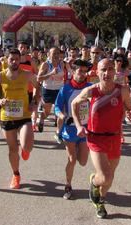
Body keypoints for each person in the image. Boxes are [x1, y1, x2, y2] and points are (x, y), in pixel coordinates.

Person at [71, 58, 131, 218]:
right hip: (95, 138)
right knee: (105, 176)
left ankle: (101, 197)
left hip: (115, 138)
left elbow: (129, 109)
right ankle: (95, 187)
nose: (107, 73)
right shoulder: (91, 91)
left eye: (110, 69)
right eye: (103, 70)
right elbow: (74, 104)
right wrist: (79, 126)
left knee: (110, 177)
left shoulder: (123, 91)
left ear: (115, 71)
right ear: (97, 72)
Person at [0, 48, 40, 189]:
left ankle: (25, 149)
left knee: (27, 146)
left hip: (24, 115)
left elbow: (38, 87)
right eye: (11, 59)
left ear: (20, 60)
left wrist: (34, 102)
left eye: (17, 59)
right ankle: (16, 175)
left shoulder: (27, 74)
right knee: (12, 150)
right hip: (7, 116)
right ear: (7, 60)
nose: (14, 62)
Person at [54, 59, 92, 199]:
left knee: (83, 162)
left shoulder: (90, 87)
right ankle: (68, 185)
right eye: (79, 71)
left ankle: (80, 152)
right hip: (70, 128)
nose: (82, 74)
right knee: (72, 159)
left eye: (84, 71)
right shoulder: (65, 88)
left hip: (85, 129)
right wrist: (62, 115)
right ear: (73, 72)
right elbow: (57, 107)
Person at [37, 47, 65, 133]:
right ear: (49, 55)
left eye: (57, 53)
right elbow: (39, 78)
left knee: (60, 112)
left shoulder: (62, 64)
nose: (56, 55)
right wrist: (51, 73)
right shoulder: (46, 65)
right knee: (47, 112)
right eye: (54, 53)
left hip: (59, 90)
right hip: (48, 90)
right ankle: (41, 118)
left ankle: (58, 132)